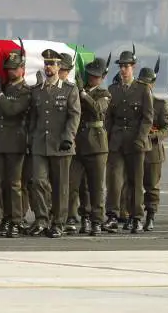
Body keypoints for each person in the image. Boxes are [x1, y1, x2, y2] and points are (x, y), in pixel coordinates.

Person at [27, 49, 81, 238]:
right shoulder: (37, 91)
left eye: (52, 64)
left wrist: (68, 137)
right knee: (38, 181)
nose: (49, 67)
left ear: (59, 67)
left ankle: (59, 222)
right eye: (46, 64)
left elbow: (74, 116)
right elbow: (33, 118)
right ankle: (42, 219)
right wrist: (31, 138)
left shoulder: (69, 90)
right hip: (40, 144)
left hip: (61, 145)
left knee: (60, 186)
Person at [0, 49, 32, 238]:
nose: (10, 72)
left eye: (14, 68)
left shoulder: (25, 92)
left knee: (14, 184)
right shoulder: (2, 88)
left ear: (22, 69)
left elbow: (12, 110)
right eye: (8, 69)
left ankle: (15, 220)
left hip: (15, 142)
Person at [105, 47, 154, 234]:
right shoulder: (113, 90)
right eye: (122, 66)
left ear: (134, 67)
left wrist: (141, 138)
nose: (124, 69)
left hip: (135, 142)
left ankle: (136, 217)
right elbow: (108, 117)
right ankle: (112, 216)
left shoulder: (142, 89)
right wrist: (108, 137)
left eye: (127, 66)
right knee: (114, 180)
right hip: (117, 141)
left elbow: (147, 117)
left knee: (135, 181)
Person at [66, 57, 111, 236]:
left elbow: (98, 110)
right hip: (79, 144)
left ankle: (96, 221)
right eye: (90, 75)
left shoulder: (104, 94)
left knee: (96, 187)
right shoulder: (78, 91)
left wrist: (83, 93)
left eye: (96, 76)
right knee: (74, 184)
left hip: (97, 146)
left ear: (102, 77)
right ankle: (80, 216)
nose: (92, 78)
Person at [136, 59, 168, 231]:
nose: (144, 86)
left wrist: (153, 135)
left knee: (151, 186)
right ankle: (133, 216)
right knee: (132, 185)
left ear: (152, 84)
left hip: (153, 151)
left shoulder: (160, 104)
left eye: (147, 83)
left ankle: (150, 215)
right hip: (135, 150)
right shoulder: (134, 103)